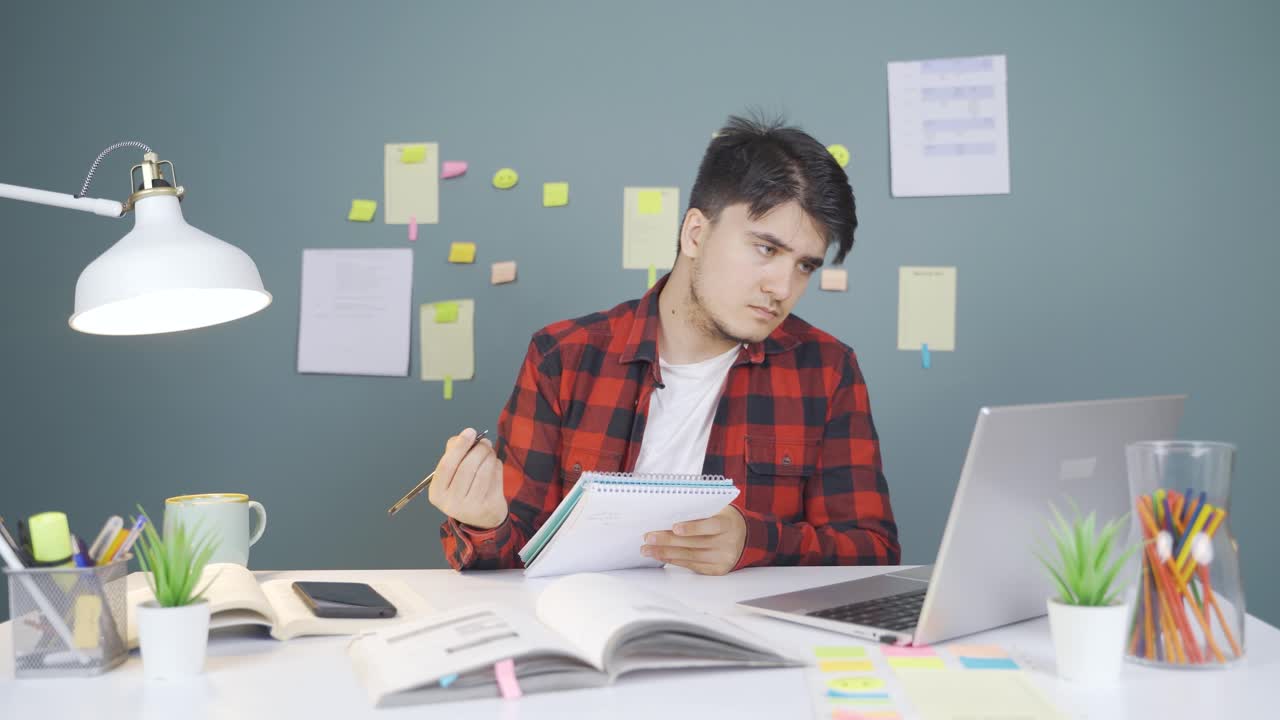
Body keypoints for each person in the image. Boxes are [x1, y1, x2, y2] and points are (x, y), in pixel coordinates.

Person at [430, 114, 899, 575]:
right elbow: (515, 550)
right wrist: (483, 522)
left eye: (805, 266)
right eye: (766, 249)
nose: (782, 286)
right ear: (695, 233)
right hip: (585, 622)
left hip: (740, 625)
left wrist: (753, 542)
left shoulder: (827, 370)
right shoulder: (563, 357)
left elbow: (873, 550)